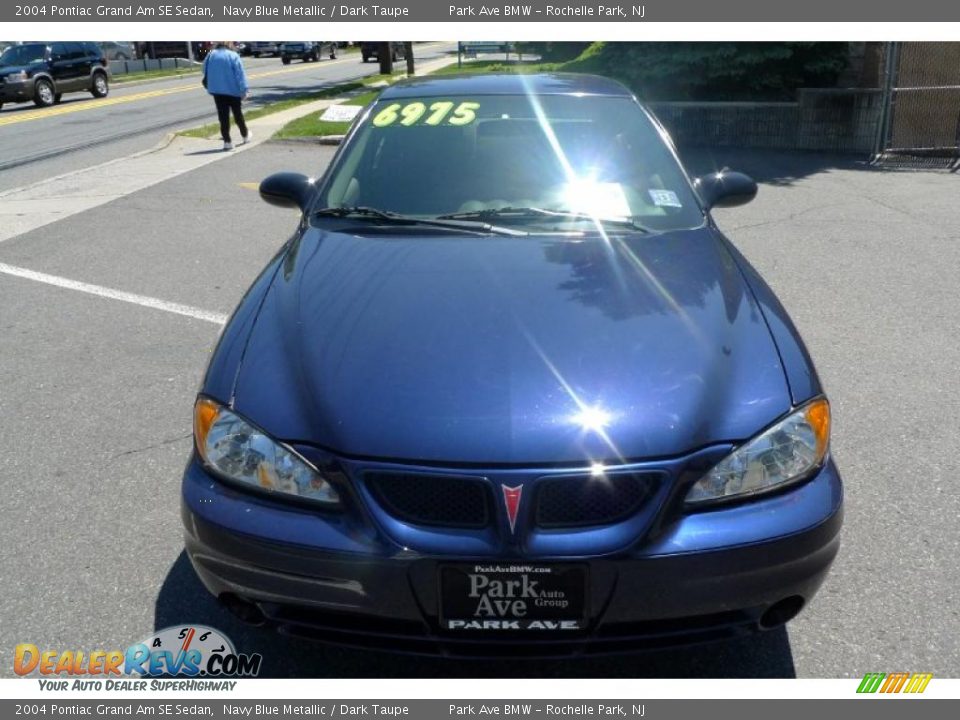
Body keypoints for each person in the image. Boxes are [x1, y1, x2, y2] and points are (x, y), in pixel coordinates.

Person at [202, 42, 250, 151]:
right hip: (233, 91)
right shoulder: (233, 55)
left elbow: (204, 70)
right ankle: (245, 136)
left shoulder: (210, 55)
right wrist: (244, 90)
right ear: (229, 44)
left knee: (223, 117)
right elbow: (240, 74)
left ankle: (227, 142)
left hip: (217, 91)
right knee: (238, 115)